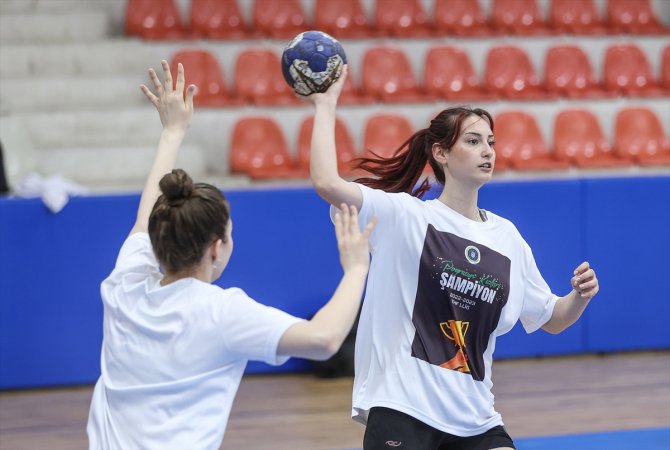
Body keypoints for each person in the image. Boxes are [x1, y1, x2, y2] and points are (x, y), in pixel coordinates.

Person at [304, 66, 600, 450]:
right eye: (473, 141)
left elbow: (553, 319)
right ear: (441, 153)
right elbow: (327, 182)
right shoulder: (405, 217)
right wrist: (325, 103)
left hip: (475, 419)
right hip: (403, 411)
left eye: (490, 142)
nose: (487, 151)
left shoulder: (507, 237)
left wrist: (579, 296)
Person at [86, 61, 376, 449]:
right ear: (216, 248)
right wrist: (357, 268)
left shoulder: (126, 284)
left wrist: (173, 131)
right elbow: (323, 339)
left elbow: (144, 219)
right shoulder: (221, 313)